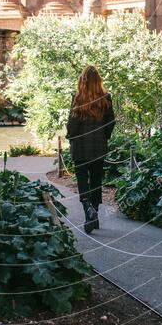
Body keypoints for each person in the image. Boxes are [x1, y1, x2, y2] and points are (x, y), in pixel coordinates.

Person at [66, 65, 115, 234]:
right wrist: (104, 137)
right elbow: (111, 122)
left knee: (82, 178)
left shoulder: (78, 98)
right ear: (98, 80)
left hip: (80, 146)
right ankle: (95, 214)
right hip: (98, 147)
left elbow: (73, 123)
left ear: (83, 80)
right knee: (96, 180)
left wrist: (70, 136)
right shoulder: (106, 98)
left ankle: (88, 209)